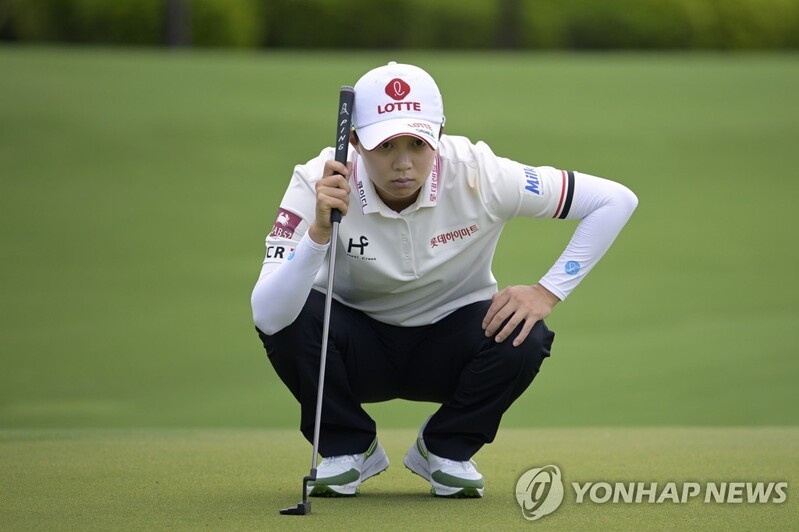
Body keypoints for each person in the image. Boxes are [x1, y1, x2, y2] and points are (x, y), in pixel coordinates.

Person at [251, 62, 637, 498]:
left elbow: (614, 200)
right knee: (293, 309)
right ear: (355, 142)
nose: (403, 163)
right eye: (385, 145)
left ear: (439, 133)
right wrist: (318, 235)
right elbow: (267, 314)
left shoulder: (479, 173)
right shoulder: (317, 180)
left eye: (418, 143)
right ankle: (346, 448)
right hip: (351, 347)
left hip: (450, 342)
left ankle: (445, 449)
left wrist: (548, 292)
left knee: (525, 333)